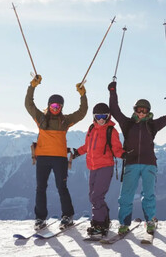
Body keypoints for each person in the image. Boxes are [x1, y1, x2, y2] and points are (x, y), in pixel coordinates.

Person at [107, 81, 166, 235]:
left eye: (144, 110)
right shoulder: (127, 123)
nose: (141, 113)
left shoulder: (152, 125)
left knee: (148, 194)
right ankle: (124, 224)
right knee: (126, 196)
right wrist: (112, 91)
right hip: (131, 164)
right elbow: (114, 109)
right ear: (135, 110)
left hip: (149, 164)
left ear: (148, 111)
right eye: (139, 110)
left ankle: (150, 221)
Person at [25, 74, 88, 230]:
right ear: (49, 106)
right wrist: (32, 86)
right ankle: (40, 218)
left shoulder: (65, 121)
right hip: (43, 158)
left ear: (61, 108)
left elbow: (82, 112)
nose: (55, 109)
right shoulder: (40, 118)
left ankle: (67, 216)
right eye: (53, 106)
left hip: (59, 158)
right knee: (41, 188)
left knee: (61, 187)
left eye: (58, 107)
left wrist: (83, 95)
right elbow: (29, 104)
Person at [72, 103, 126, 237]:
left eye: (104, 116)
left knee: (97, 196)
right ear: (94, 117)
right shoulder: (91, 128)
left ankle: (99, 223)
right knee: (93, 196)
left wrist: (124, 155)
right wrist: (77, 152)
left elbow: (116, 148)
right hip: (92, 167)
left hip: (105, 166)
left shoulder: (111, 131)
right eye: (98, 116)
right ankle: (104, 220)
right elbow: (88, 146)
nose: (101, 119)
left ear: (108, 116)